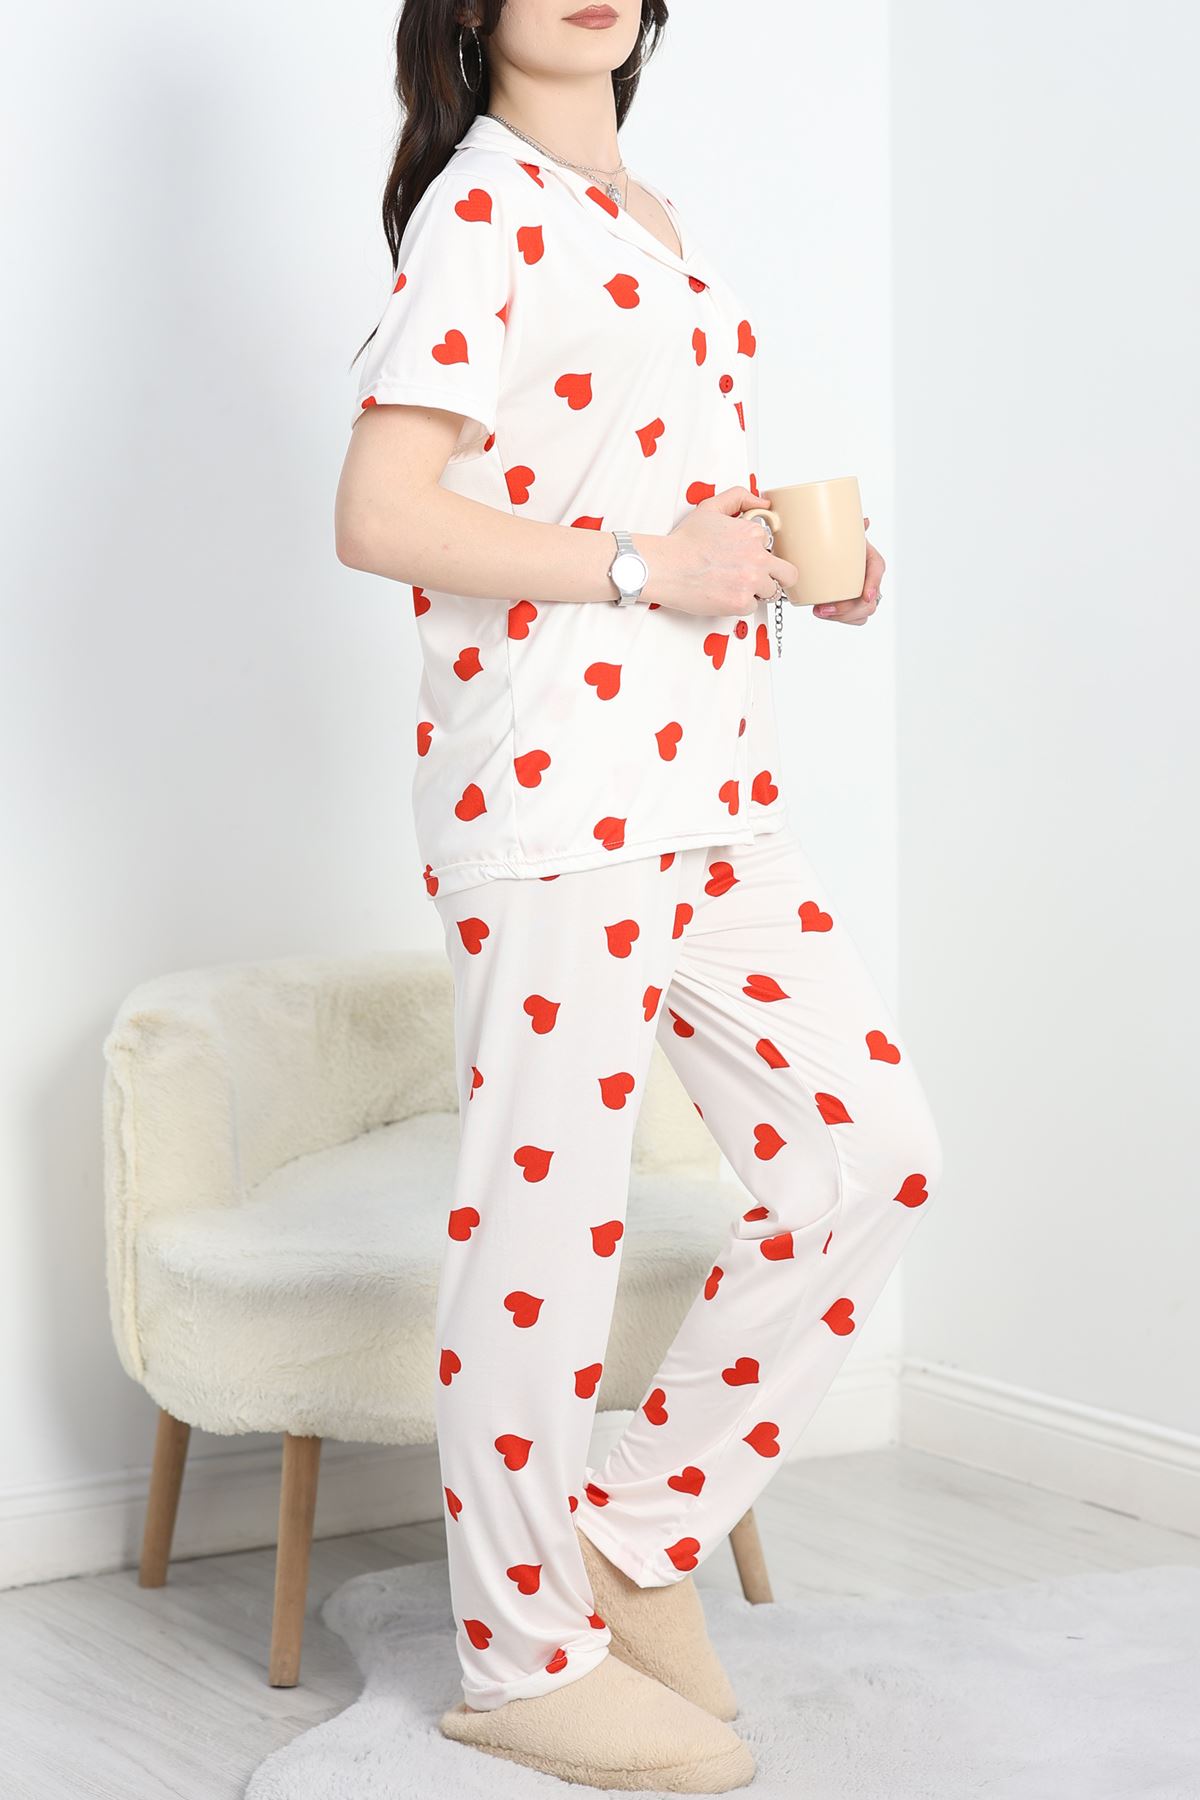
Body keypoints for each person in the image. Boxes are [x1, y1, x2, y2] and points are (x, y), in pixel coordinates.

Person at [334, 2, 943, 1789]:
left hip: (709, 786)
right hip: (555, 794)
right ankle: (519, 1658)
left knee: (866, 1153)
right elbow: (380, 512)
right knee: (545, 1240)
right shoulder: (482, 207)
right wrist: (641, 562)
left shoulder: (648, 218)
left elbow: (634, 491)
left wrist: (772, 560)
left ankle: (625, 1532)